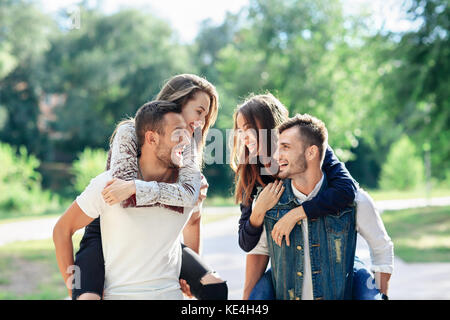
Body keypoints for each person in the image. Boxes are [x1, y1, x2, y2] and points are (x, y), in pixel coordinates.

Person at [69, 74, 227, 300]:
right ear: (178, 104)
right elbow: (126, 195)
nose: (201, 122)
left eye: (206, 117)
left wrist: (188, 271)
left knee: (214, 288)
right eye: (199, 112)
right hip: (109, 230)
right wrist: (141, 188)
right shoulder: (130, 132)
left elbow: (192, 208)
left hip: (157, 237)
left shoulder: (189, 148)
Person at [229, 94, 393, 299]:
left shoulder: (307, 148)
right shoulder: (251, 172)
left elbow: (347, 190)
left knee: (364, 285)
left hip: (336, 257)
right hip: (288, 264)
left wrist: (296, 214)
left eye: (249, 128)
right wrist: (259, 209)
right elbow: (248, 244)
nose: (244, 136)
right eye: (240, 130)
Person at [54, 101, 202, 299]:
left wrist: (191, 275)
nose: (185, 141)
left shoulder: (188, 189)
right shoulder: (109, 185)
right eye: (177, 133)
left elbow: (193, 222)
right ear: (151, 138)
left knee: (218, 290)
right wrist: (74, 289)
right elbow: (62, 230)